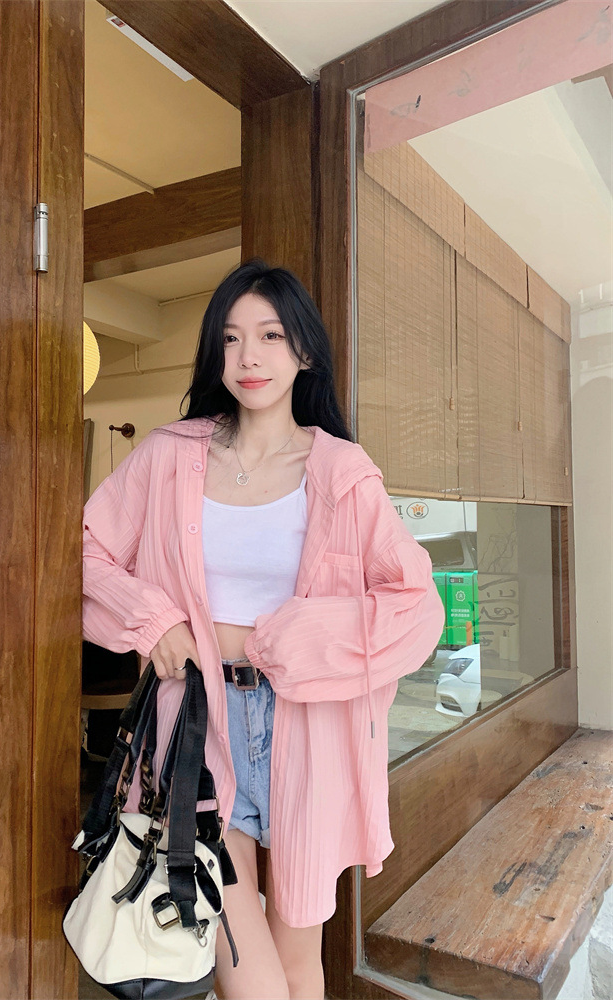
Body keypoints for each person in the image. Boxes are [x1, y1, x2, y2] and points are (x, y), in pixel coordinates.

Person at [82, 258, 445, 999]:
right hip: (197, 723)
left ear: (304, 350)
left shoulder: (343, 472)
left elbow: (416, 606)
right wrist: (154, 620)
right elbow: (83, 553)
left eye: (271, 336)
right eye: (231, 338)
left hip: (308, 729)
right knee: (247, 973)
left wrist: (292, 641)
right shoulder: (167, 455)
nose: (249, 356)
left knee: (299, 960)